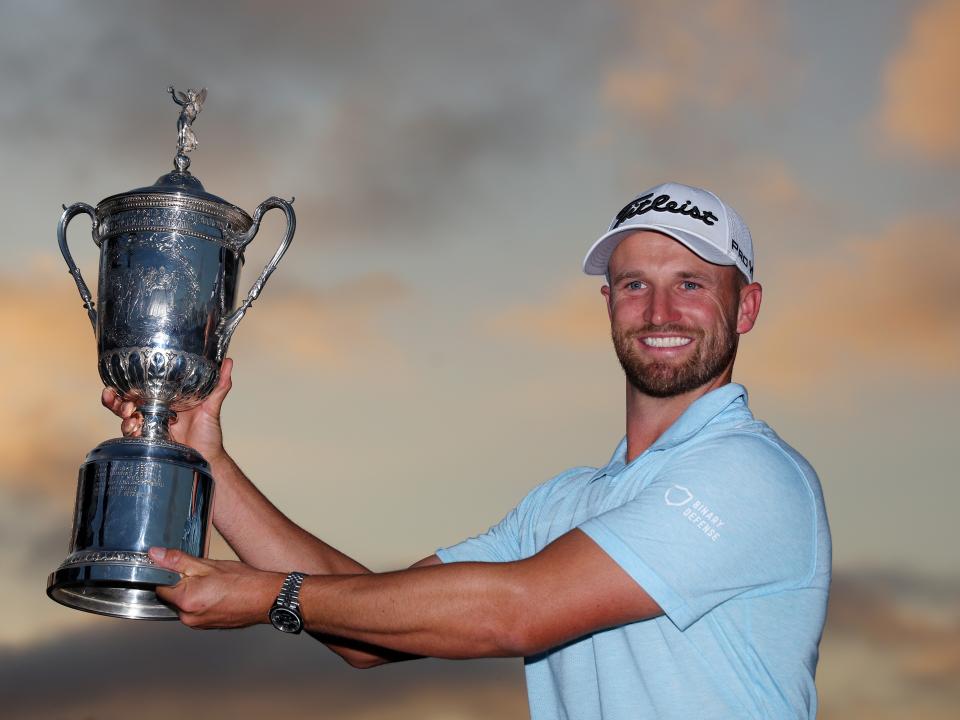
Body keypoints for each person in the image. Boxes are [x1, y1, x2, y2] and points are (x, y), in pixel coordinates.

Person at [103, 181, 831, 719]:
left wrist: (267, 597)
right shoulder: (566, 503)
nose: (660, 312)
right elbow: (369, 626)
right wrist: (210, 465)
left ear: (747, 308)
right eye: (635, 283)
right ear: (608, 303)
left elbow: (516, 612)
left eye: (693, 284)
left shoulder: (751, 472)